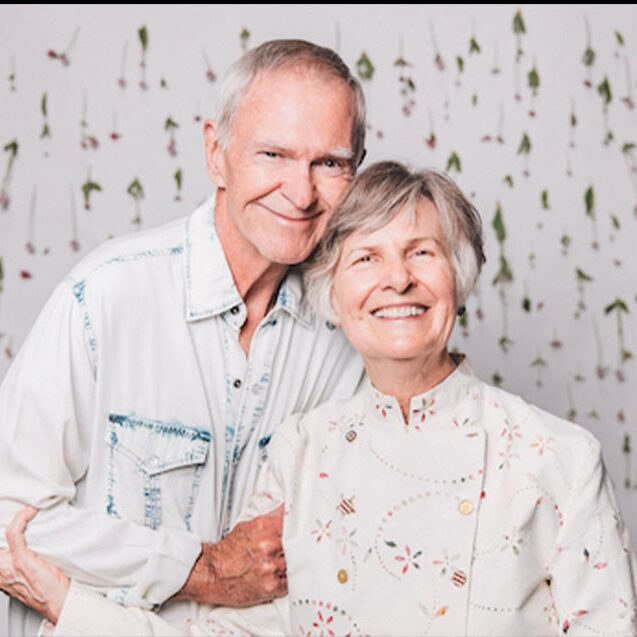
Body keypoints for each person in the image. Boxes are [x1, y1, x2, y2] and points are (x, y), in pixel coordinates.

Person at [3, 161, 635, 636]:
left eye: (423, 252)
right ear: (332, 294)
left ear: (459, 277)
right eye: (366, 258)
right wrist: (71, 608)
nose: (397, 280)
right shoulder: (303, 453)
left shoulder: (557, 458)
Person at [0, 39, 367, 635]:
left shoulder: (350, 341)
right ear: (215, 153)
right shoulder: (106, 296)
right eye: (272, 154)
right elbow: (6, 514)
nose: (301, 194)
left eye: (329, 163)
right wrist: (203, 567)